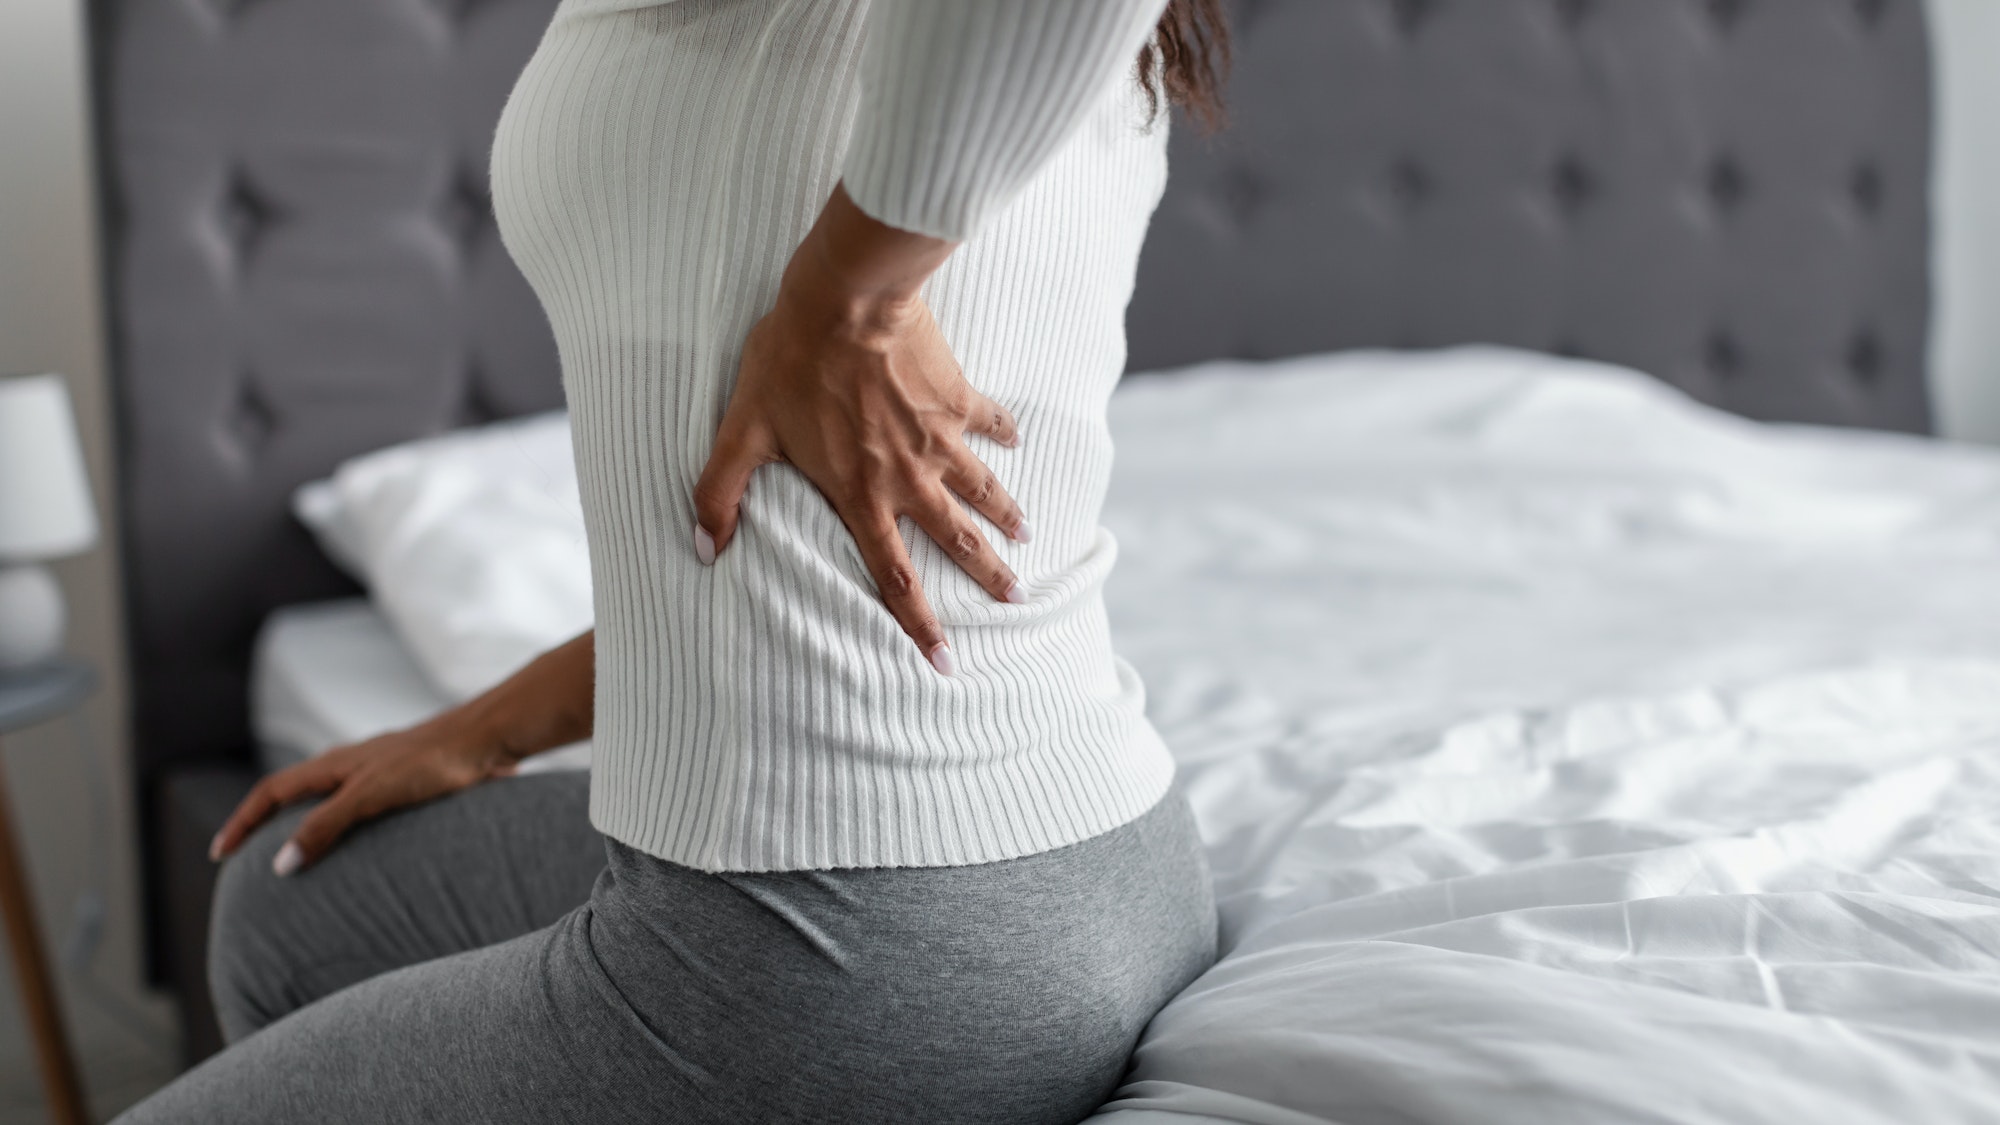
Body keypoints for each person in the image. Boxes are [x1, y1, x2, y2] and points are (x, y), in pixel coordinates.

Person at [117, 1, 1229, 1121]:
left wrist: (850, 295)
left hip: (853, 947)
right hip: (1101, 863)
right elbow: (795, 565)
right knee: (297, 896)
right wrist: (482, 728)